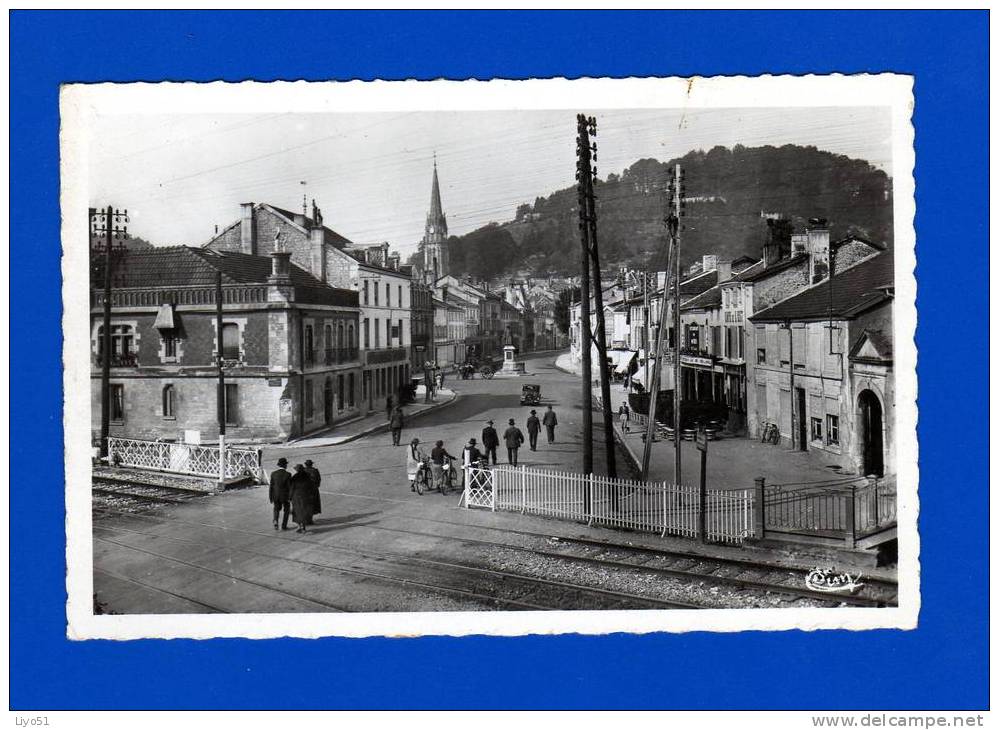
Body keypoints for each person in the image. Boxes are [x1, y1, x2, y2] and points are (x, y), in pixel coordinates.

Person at [289, 464, 314, 533]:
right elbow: (311, 486)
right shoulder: (307, 476)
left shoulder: (295, 477)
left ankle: (299, 526)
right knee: (304, 511)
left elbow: (291, 488)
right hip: (305, 496)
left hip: (296, 497)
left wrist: (290, 497)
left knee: (297, 512)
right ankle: (303, 526)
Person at [269, 457, 292, 531]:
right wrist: (290, 497)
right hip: (285, 496)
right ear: (285, 465)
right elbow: (289, 487)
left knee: (276, 509)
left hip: (275, 495)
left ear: (279, 465)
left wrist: (271, 497)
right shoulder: (288, 474)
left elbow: (271, 486)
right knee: (286, 510)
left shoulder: (273, 474)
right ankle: (284, 525)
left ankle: (275, 520)